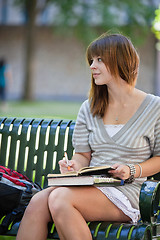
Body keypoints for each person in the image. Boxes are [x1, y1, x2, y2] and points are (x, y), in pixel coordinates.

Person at [16, 32, 160, 240]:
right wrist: (73, 166)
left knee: (60, 198)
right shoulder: (89, 108)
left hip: (129, 191)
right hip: (91, 186)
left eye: (99, 59)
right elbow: (82, 155)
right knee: (38, 202)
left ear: (120, 60)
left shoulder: (154, 107)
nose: (92, 65)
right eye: (91, 60)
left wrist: (132, 170)